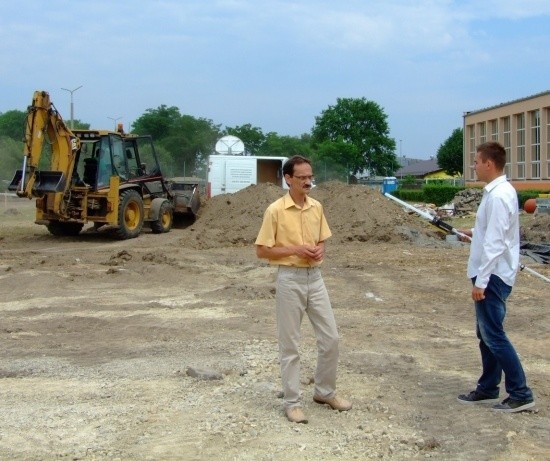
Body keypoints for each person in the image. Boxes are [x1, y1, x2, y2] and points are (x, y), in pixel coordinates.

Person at [255, 155, 351, 424]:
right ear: (288, 179)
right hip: (290, 279)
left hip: (315, 278)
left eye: (310, 176)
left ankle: (324, 392)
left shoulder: (317, 207)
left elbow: (322, 239)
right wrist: (296, 249)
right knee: (290, 343)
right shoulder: (275, 210)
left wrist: (320, 250)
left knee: (330, 338)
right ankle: (292, 402)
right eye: (302, 178)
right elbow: (262, 250)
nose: (309, 181)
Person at [457, 141, 535, 413]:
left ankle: (521, 392)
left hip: (492, 277)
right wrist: (471, 232)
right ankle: (488, 387)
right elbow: (490, 234)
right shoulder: (495, 193)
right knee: (486, 334)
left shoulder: (501, 195)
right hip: (489, 272)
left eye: (476, 162)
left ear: (489, 163)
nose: (474, 167)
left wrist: (481, 282)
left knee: (494, 335)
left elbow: (496, 243)